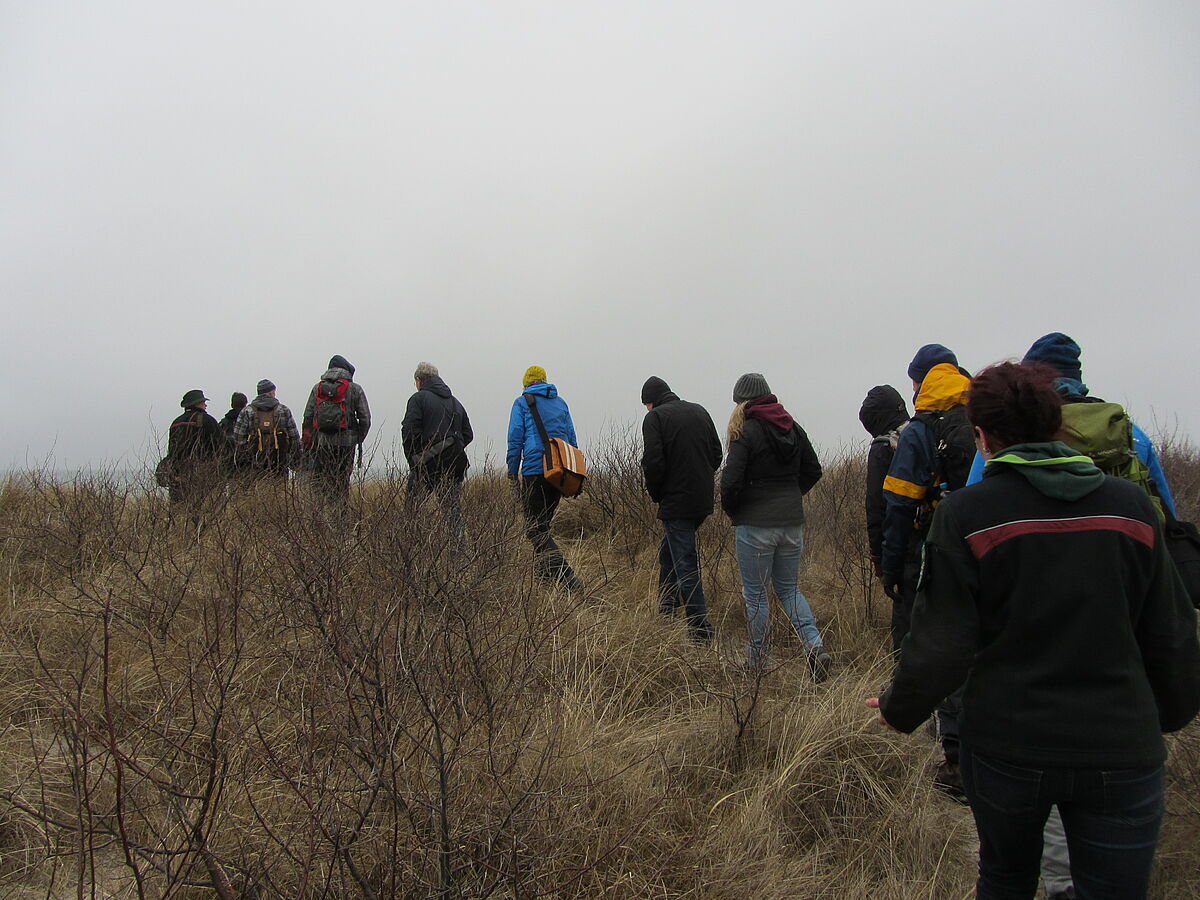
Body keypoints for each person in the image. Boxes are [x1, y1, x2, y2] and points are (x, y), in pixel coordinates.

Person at [867, 361, 1199, 900]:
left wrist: (897, 707)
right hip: (1122, 747)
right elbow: (1173, 632)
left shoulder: (967, 515)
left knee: (1004, 879)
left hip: (1007, 746)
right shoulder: (1132, 508)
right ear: (1057, 425)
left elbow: (943, 644)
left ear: (982, 437)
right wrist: (1168, 713)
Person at [880, 343, 973, 790]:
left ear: (918, 382)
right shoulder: (984, 415)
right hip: (992, 548)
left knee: (940, 638)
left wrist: (891, 564)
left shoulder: (921, 429)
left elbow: (898, 503)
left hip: (934, 548)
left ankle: (954, 757)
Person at [719, 373, 829, 678]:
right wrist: (791, 496)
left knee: (755, 594)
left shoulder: (744, 430)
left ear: (741, 402)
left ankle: (756, 662)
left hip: (755, 523)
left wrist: (735, 511)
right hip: (791, 522)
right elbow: (814, 470)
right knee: (789, 590)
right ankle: (815, 646)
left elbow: (730, 481)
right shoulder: (792, 426)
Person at [640, 376, 723, 643]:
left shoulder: (655, 419)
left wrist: (657, 494)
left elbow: (653, 462)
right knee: (670, 553)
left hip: (676, 501)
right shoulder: (700, 411)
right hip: (701, 500)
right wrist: (701, 479)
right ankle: (666, 612)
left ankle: (700, 630)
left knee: (684, 562)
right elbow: (717, 453)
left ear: (650, 402)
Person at [507, 365, 583, 591]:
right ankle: (544, 582)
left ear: (526, 383)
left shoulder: (522, 402)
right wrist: (574, 473)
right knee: (543, 526)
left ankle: (568, 579)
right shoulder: (561, 403)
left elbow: (515, 438)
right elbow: (571, 439)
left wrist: (512, 470)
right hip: (559, 471)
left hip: (534, 470)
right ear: (544, 381)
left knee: (534, 529)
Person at [857, 385, 910, 652]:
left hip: (903, 546)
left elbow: (876, 508)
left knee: (904, 619)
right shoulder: (923, 434)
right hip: (937, 541)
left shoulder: (882, 448)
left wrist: (879, 557)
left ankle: (904, 684)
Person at [401, 362, 473, 533]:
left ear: (419, 380)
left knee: (412, 511)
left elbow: (409, 433)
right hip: (455, 465)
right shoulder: (455, 402)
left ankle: (411, 551)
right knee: (453, 514)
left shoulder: (418, 399)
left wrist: (414, 461)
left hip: (426, 465)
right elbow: (468, 434)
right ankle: (458, 555)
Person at [302, 355, 371, 506]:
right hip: (346, 444)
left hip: (323, 442)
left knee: (324, 480)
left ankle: (323, 516)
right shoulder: (355, 389)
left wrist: (312, 440)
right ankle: (340, 515)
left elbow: (308, 416)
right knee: (342, 482)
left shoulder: (318, 388)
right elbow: (365, 418)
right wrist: (358, 438)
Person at [165, 389, 225, 506]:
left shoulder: (176, 423)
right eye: (203, 402)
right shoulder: (207, 420)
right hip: (202, 476)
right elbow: (221, 446)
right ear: (197, 404)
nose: (205, 405)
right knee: (203, 511)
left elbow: (172, 451)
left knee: (178, 513)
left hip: (178, 477)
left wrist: (176, 473)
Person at [233, 379, 300, 482]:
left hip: (254, 464)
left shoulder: (247, 411)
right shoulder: (283, 410)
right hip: (279, 462)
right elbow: (294, 437)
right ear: (271, 392)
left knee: (256, 494)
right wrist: (293, 459)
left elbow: (239, 439)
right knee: (279, 494)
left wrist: (245, 460)